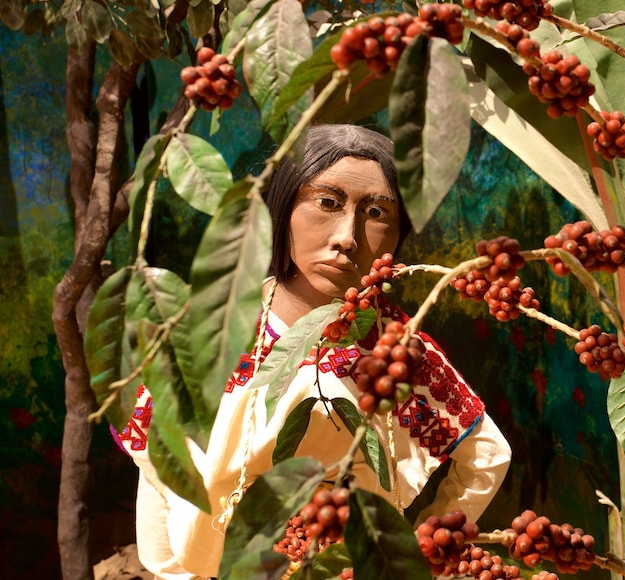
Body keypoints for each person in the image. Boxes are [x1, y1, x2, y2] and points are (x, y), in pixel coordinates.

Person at [116, 124, 512, 579]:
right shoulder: (213, 332)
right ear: (282, 207)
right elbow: (158, 455)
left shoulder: (395, 352)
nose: (347, 236)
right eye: (327, 203)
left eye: (377, 212)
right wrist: (174, 571)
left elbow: (485, 454)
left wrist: (422, 551)